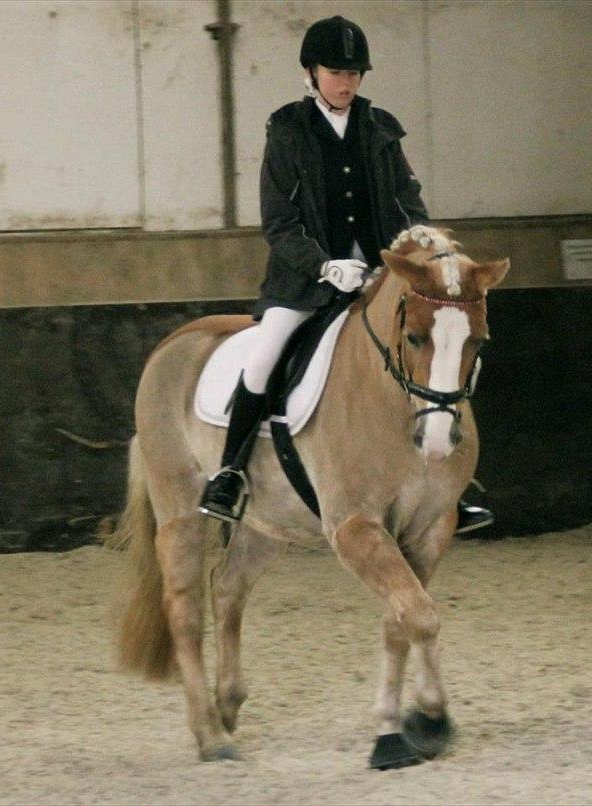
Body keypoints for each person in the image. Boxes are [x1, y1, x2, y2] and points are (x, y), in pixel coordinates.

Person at [198, 15, 493, 534]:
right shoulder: (288, 132)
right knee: (265, 356)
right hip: (307, 282)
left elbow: (406, 202)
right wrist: (324, 265)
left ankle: (447, 489)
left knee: (437, 355)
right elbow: (279, 223)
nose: (347, 81)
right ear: (311, 73)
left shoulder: (380, 131)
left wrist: (421, 239)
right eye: (336, 71)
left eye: (355, 72)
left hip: (383, 278)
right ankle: (228, 473)